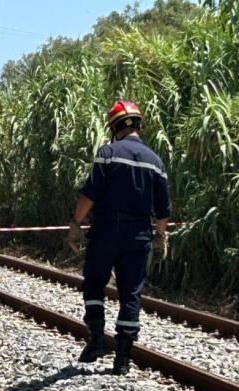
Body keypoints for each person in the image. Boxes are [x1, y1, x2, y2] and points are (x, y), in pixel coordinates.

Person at [67, 101, 171, 375]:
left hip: (106, 231)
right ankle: (123, 358)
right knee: (131, 293)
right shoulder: (156, 163)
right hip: (139, 235)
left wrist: (76, 224)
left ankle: (98, 340)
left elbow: (89, 195)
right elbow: (162, 210)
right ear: (139, 125)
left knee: (94, 284)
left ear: (114, 127)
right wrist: (160, 237)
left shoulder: (108, 154)